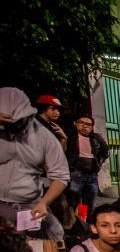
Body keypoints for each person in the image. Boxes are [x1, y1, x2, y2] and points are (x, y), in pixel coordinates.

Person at [0, 87, 69, 242]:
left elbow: (61, 175)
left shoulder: (43, 136)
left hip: (28, 204)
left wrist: (44, 203)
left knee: (55, 236)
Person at [64, 114, 109, 216]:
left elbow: (105, 151)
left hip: (92, 174)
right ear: (75, 123)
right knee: (73, 201)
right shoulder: (70, 137)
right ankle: (74, 224)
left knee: (89, 203)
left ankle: (84, 223)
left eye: (88, 124)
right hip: (76, 173)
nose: (85, 126)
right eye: (81, 123)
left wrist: (99, 163)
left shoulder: (96, 138)